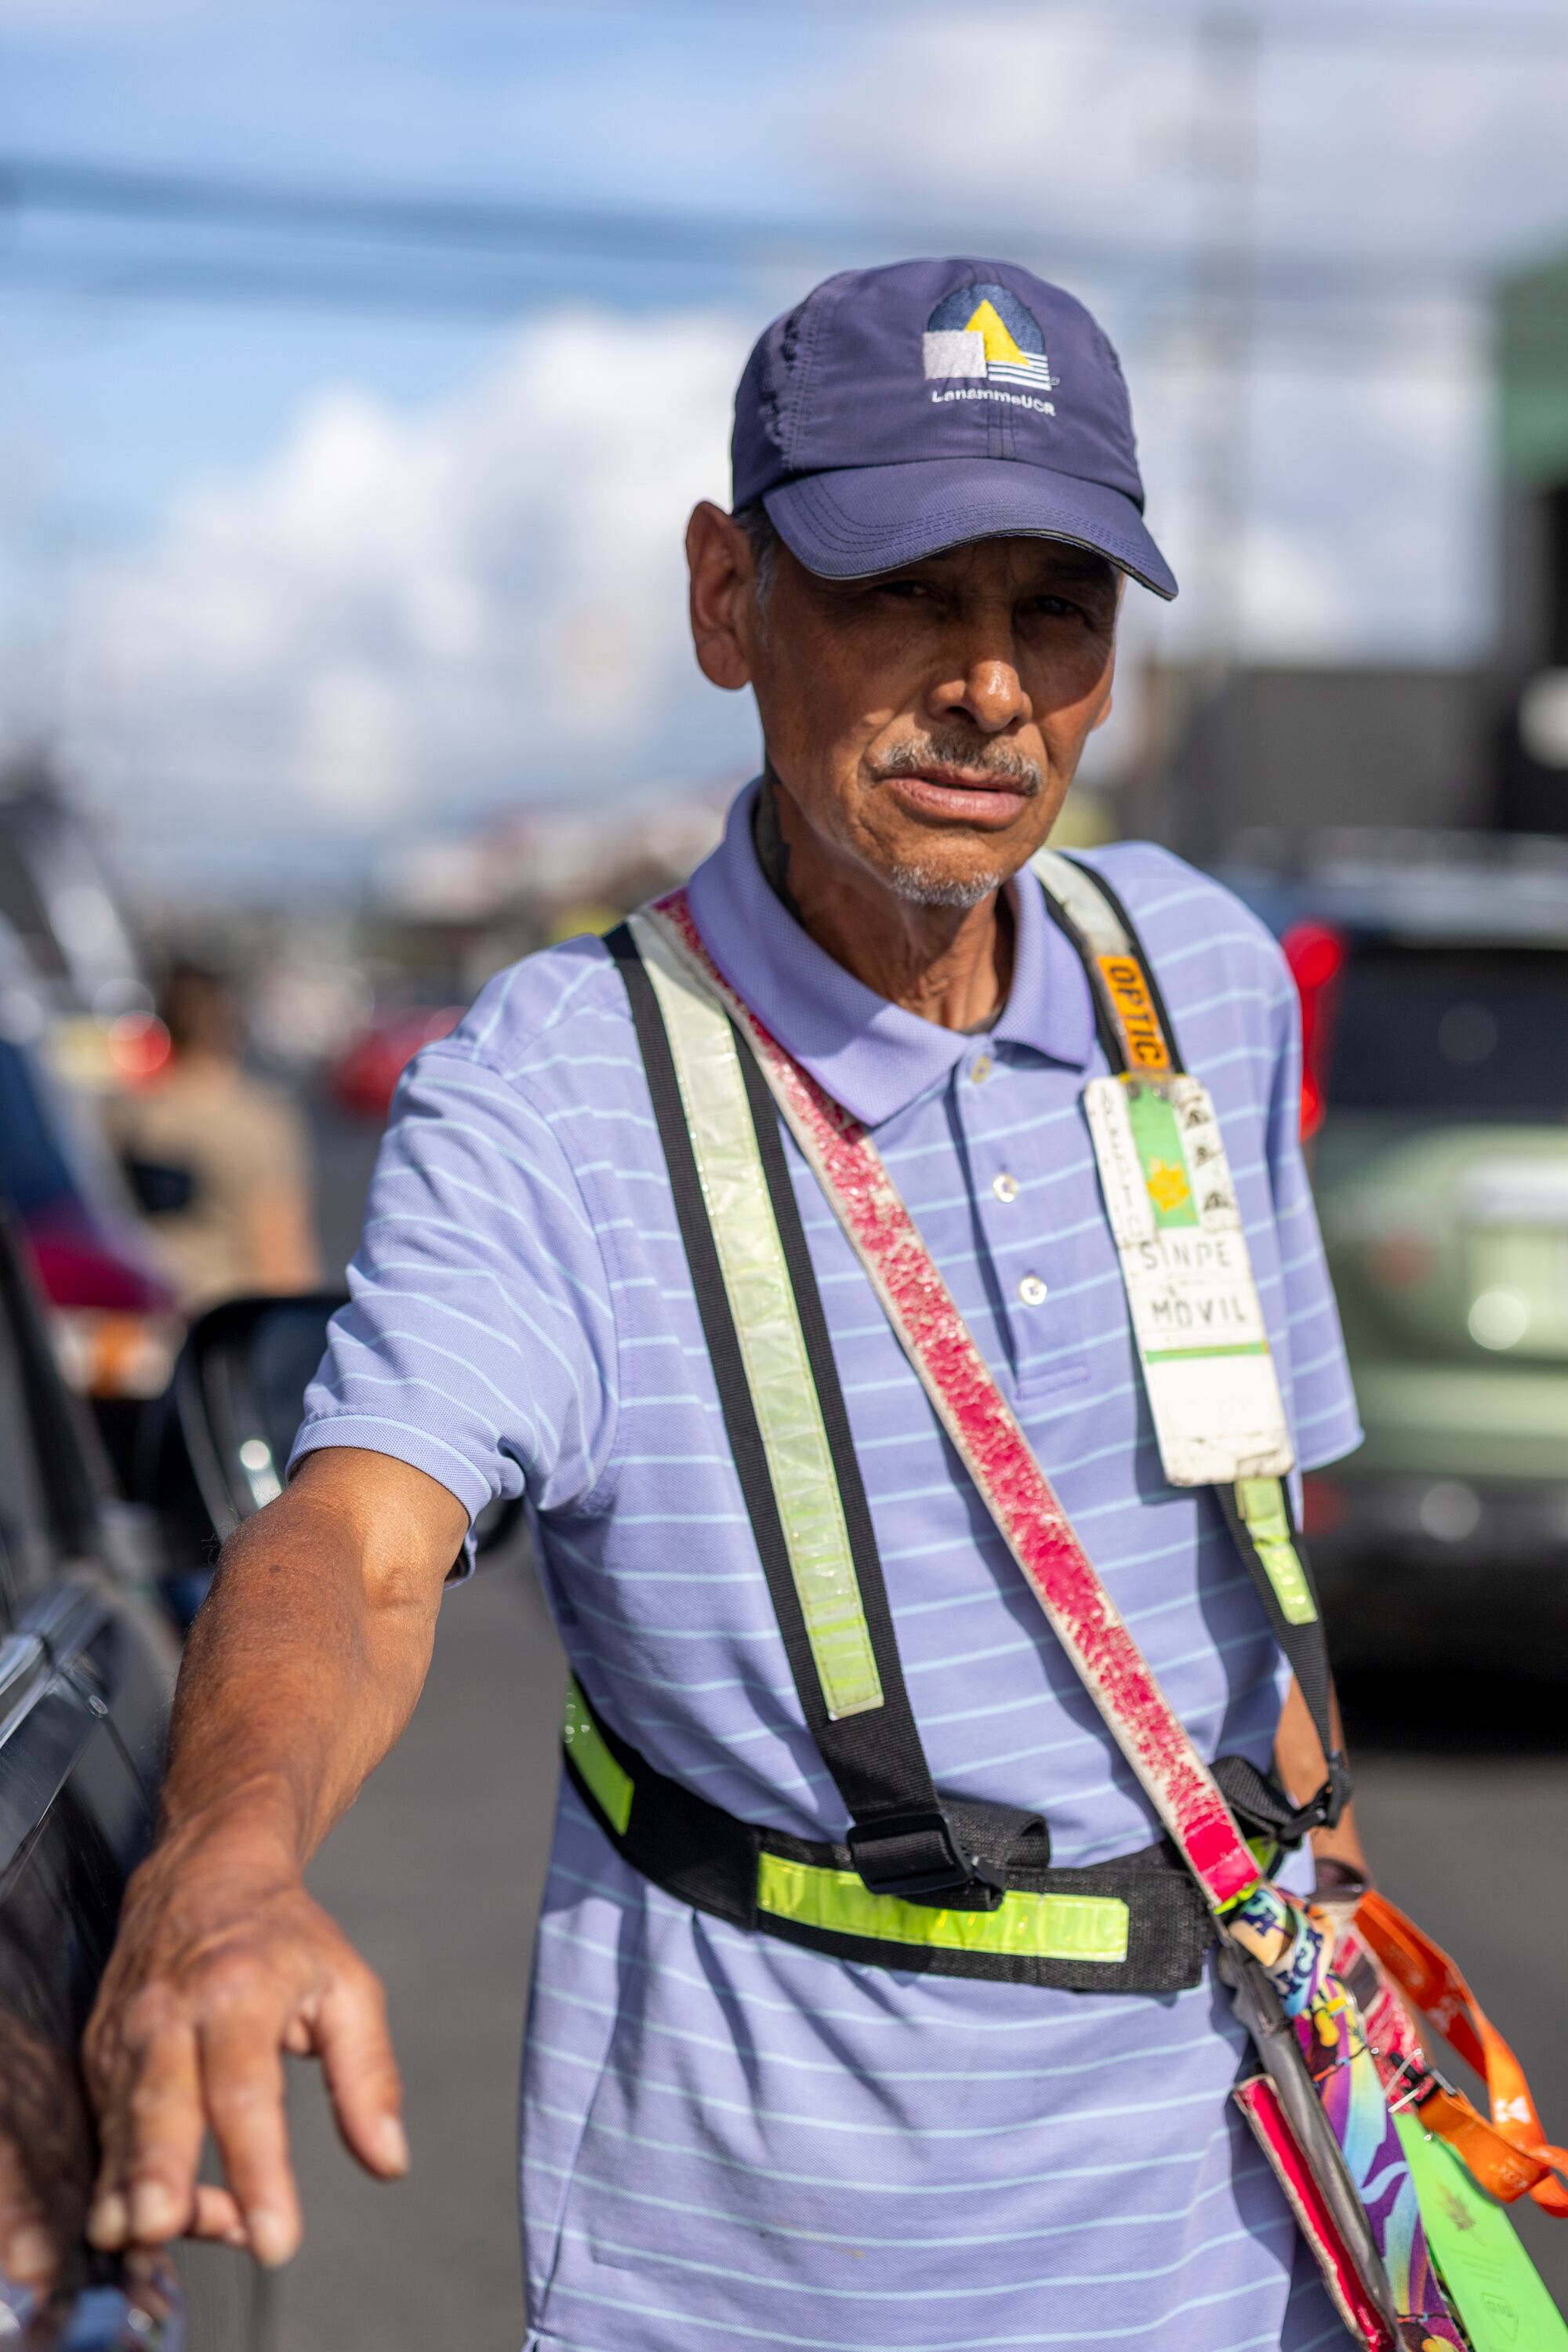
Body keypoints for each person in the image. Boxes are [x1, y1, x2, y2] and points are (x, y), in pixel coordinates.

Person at [84, 260, 1369, 2350]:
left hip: (1252, 2235)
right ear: (724, 598)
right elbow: (359, 1543)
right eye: (900, 587)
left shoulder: (1197, 978)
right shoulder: (555, 1088)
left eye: (1054, 605)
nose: (987, 681)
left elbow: (1256, 1572)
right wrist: (220, 1865)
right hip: (784, 2283)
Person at [104, 962, 320, 1311]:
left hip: (141, 1314)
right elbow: (280, 1254)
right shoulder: (259, 1122)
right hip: (224, 1319)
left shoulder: (123, 1115)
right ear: (233, 1024)